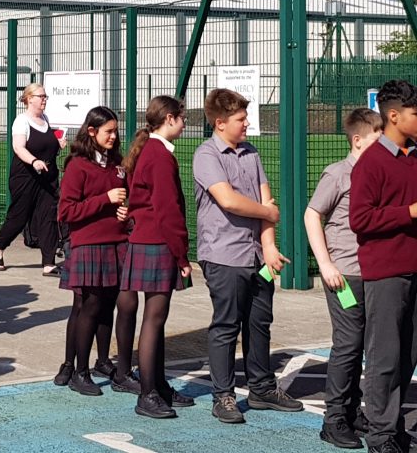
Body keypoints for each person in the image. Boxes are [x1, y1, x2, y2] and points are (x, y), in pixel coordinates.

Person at [350, 81, 417, 453]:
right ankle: (380, 437)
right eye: (416, 113)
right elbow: (360, 219)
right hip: (386, 273)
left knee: (406, 356)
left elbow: (412, 208)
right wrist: (409, 212)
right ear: (393, 115)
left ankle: (394, 428)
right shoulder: (372, 161)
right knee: (384, 358)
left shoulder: (416, 158)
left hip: (416, 269)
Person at [193, 88, 300, 423]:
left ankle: (262, 388)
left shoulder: (251, 153)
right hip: (224, 254)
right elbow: (229, 201)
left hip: (256, 256)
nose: (247, 123)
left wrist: (269, 247)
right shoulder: (207, 155)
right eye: (241, 119)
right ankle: (223, 396)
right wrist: (267, 213)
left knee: (259, 323)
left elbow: (266, 202)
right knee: (226, 325)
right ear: (220, 122)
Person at [306, 108, 383, 449]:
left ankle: (352, 411)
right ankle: (334, 418)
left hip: (372, 273)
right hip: (344, 275)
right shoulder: (338, 174)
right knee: (348, 344)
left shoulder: (377, 173)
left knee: (364, 344)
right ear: (357, 140)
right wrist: (326, 264)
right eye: (377, 139)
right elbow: (312, 215)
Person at [54, 106, 137, 396]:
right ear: (91, 131)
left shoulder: (117, 164)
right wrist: (105, 199)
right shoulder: (78, 165)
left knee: (107, 305)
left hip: (117, 243)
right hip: (89, 244)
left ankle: (102, 362)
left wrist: (125, 212)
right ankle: (78, 369)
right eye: (108, 131)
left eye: (116, 131)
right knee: (87, 306)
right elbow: (66, 211)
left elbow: (124, 200)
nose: (114, 136)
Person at [122, 95, 195, 418]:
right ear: (169, 118)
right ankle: (148, 393)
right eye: (182, 118)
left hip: (147, 240)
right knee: (154, 319)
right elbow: (168, 210)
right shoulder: (160, 155)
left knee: (156, 318)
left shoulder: (149, 150)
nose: (184, 123)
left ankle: (159, 386)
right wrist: (182, 256)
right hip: (157, 242)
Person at [0, 83, 61, 275]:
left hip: (47, 178)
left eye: (45, 96)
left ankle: (49, 263)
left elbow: (47, 145)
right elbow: (18, 147)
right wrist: (34, 161)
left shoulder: (45, 119)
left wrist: (58, 143)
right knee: (19, 216)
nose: (44, 99)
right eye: (41, 96)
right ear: (29, 99)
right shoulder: (21, 121)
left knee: (48, 216)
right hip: (25, 177)